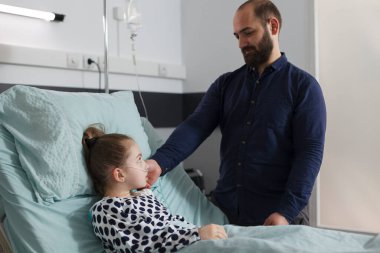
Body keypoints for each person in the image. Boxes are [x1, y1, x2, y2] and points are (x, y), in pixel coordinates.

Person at [146, 0, 326, 226]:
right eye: (237, 36)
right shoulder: (225, 85)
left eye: (248, 33)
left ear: (273, 26)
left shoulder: (303, 86)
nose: (241, 43)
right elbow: (195, 126)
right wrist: (159, 162)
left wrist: (286, 212)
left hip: (279, 216)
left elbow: (309, 154)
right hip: (226, 214)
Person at [82, 125, 228, 253]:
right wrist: (197, 234)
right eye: (139, 160)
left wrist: (199, 232)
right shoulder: (105, 211)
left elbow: (170, 223)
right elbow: (142, 245)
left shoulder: (144, 195)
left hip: (189, 239)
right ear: (120, 174)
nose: (145, 165)